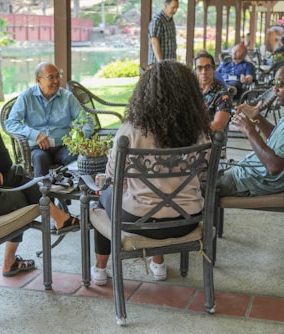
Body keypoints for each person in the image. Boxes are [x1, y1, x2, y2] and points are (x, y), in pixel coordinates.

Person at [90, 60, 211, 285]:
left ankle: (99, 269)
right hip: (188, 220)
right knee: (160, 196)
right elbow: (204, 176)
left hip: (140, 222)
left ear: (145, 93)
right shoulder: (200, 134)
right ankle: (158, 265)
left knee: (102, 199)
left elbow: (113, 178)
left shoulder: (130, 133)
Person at [0, 72, 80, 277]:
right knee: (26, 194)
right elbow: (5, 165)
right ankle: (10, 261)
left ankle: (59, 217)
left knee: (19, 178)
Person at [5, 62, 94, 178]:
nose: (56, 81)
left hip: (62, 146)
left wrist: (80, 138)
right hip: (37, 148)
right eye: (51, 77)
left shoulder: (67, 97)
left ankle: (68, 192)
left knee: (74, 157)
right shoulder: (26, 97)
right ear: (38, 80)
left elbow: (87, 120)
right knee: (40, 158)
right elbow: (10, 124)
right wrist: (34, 134)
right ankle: (41, 194)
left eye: (57, 76)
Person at [218, 66, 284, 197]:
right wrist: (257, 117)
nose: (275, 89)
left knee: (193, 186)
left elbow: (274, 167)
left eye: (281, 84)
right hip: (249, 170)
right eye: (275, 83)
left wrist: (249, 130)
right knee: (203, 173)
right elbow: (277, 139)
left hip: (254, 180)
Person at [194, 51, 232, 131]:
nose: (204, 72)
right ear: (195, 71)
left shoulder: (222, 95)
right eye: (200, 68)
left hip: (205, 139)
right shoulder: (190, 90)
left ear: (214, 69)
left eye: (207, 67)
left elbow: (218, 125)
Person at [148, 0, 178, 65]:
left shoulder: (170, 20)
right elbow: (154, 42)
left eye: (176, 8)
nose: (175, 10)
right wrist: (161, 63)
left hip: (170, 63)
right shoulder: (158, 21)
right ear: (165, 6)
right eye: (173, 8)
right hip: (158, 65)